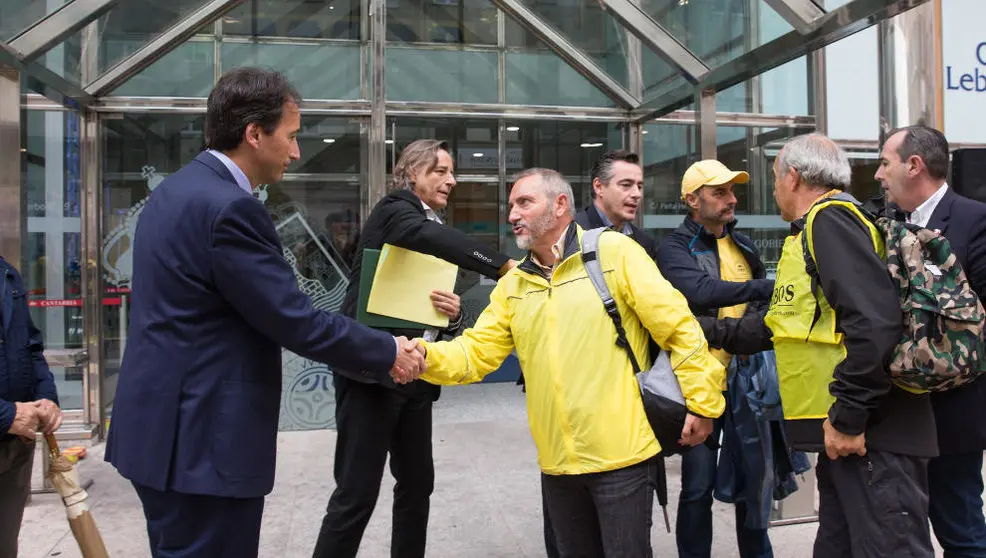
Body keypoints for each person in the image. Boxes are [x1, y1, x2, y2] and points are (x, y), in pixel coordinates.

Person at [104, 67, 425, 558]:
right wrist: (386, 349)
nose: (296, 152)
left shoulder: (174, 191)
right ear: (254, 134)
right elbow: (294, 318)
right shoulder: (231, 209)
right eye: (291, 136)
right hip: (202, 445)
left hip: (160, 435)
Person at [407, 168, 726, 557]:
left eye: (524, 202)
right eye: (511, 206)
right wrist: (420, 356)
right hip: (558, 466)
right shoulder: (514, 286)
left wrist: (703, 402)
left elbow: (679, 328)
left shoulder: (614, 252)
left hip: (623, 459)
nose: (512, 215)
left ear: (560, 205)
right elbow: (475, 354)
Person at [707, 133, 937, 557]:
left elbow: (873, 323)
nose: (774, 188)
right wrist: (702, 329)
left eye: (775, 178)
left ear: (792, 177)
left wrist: (848, 417)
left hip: (871, 435)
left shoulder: (830, 221)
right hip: (848, 436)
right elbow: (779, 326)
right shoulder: (816, 228)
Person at [313, 139, 515, 558]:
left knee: (417, 484)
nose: (452, 180)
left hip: (417, 374)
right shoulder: (396, 211)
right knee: (356, 494)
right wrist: (502, 265)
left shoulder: (427, 225)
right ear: (411, 174)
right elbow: (429, 236)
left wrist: (455, 314)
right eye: (440, 171)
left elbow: (423, 303)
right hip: (371, 375)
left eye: (452, 172)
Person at [876, 125, 986, 557]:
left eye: (886, 163)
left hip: (953, 416)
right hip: (898, 413)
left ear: (914, 165)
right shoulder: (886, 225)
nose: (880, 174)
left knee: (959, 529)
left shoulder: (974, 221)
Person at [656, 159, 775, 558]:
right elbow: (702, 293)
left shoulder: (744, 244)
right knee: (697, 487)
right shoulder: (673, 249)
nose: (731, 200)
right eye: (719, 192)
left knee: (753, 482)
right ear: (693, 199)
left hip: (747, 384)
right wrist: (767, 288)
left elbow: (756, 304)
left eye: (732, 191)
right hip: (697, 384)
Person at [0, 256, 62, 557]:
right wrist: (6, 414)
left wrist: (47, 396)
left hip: (13, 448)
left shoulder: (7, 274)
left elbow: (30, 345)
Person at [575, 149, 657, 260]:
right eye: (626, 185)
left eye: (640, 187)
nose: (637, 194)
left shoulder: (644, 243)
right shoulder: (571, 235)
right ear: (599, 187)